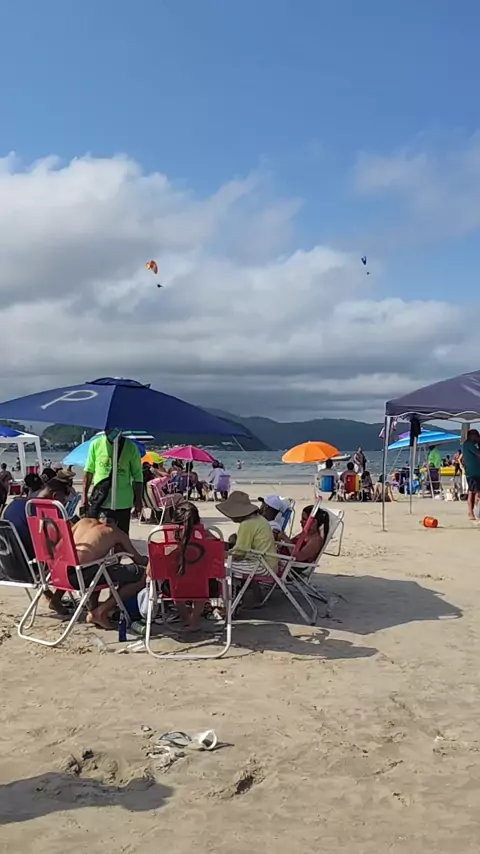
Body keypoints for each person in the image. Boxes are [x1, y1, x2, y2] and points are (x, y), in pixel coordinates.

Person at [3, 477, 72, 615]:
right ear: (54, 496)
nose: (62, 506)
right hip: (29, 569)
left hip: (6, 566)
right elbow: (54, 544)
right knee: (73, 560)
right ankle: (56, 600)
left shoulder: (13, 505)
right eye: (63, 502)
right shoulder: (40, 512)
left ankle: (49, 595)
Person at [70, 514, 147, 628]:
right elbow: (138, 560)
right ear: (116, 523)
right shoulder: (114, 531)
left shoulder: (83, 522)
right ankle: (101, 612)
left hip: (63, 575)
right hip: (83, 578)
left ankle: (92, 607)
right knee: (143, 573)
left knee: (98, 566)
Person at [81, 430, 143, 534]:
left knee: (121, 536)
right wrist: (84, 497)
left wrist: (138, 500)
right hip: (101, 500)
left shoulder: (130, 447)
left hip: (123, 502)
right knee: (99, 536)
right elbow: (88, 472)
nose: (108, 430)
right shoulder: (96, 445)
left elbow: (138, 476)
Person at [217, 491, 276, 581]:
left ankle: (226, 589)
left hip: (262, 566)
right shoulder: (258, 519)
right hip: (270, 564)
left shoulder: (247, 524)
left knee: (219, 565)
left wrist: (223, 554)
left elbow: (239, 552)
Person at [460, 429, 480, 521]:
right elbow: (478, 454)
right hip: (472, 473)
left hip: (476, 472)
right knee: (472, 492)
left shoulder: (471, 445)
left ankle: (475, 512)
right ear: (472, 436)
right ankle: (470, 512)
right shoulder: (469, 444)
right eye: (476, 436)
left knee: (476, 492)